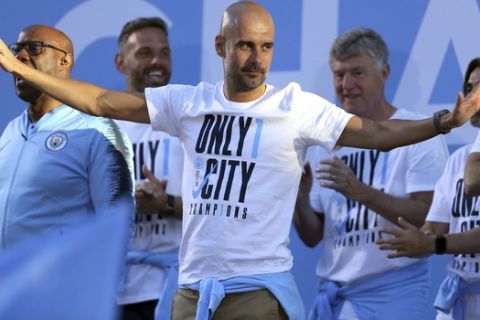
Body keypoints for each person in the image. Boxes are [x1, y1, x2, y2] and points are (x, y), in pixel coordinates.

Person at [0, 2, 480, 319]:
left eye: (266, 46)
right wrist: (25, 70)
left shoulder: (296, 107)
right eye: (246, 45)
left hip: (257, 292)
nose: (257, 57)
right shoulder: (190, 102)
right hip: (190, 294)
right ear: (221, 46)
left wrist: (443, 122)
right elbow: (102, 102)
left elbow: (377, 133)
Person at [293, 27, 448, 319]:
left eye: (357, 73)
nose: (346, 84)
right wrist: (298, 198)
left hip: (396, 296)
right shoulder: (323, 142)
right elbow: (313, 236)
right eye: (339, 75)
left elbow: (430, 218)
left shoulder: (418, 134)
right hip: (334, 297)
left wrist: (358, 190)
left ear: (385, 73)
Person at [0, 26, 134, 249]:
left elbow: (117, 231)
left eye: (34, 48)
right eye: (17, 49)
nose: (20, 57)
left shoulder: (97, 132)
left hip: (64, 282)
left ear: (64, 61)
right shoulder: (10, 132)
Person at [377, 57, 480, 320]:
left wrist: (437, 243)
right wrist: (416, 240)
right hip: (457, 299)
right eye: (470, 87)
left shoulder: (472, 164)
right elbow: (433, 230)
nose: (473, 96)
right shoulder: (458, 160)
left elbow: (472, 184)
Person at [114, 17, 184, 320]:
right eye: (144, 53)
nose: (157, 61)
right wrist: (125, 204)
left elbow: (215, 211)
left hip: (178, 291)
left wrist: (164, 203)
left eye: (164, 53)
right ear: (121, 63)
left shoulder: (189, 125)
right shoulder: (100, 131)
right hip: (113, 291)